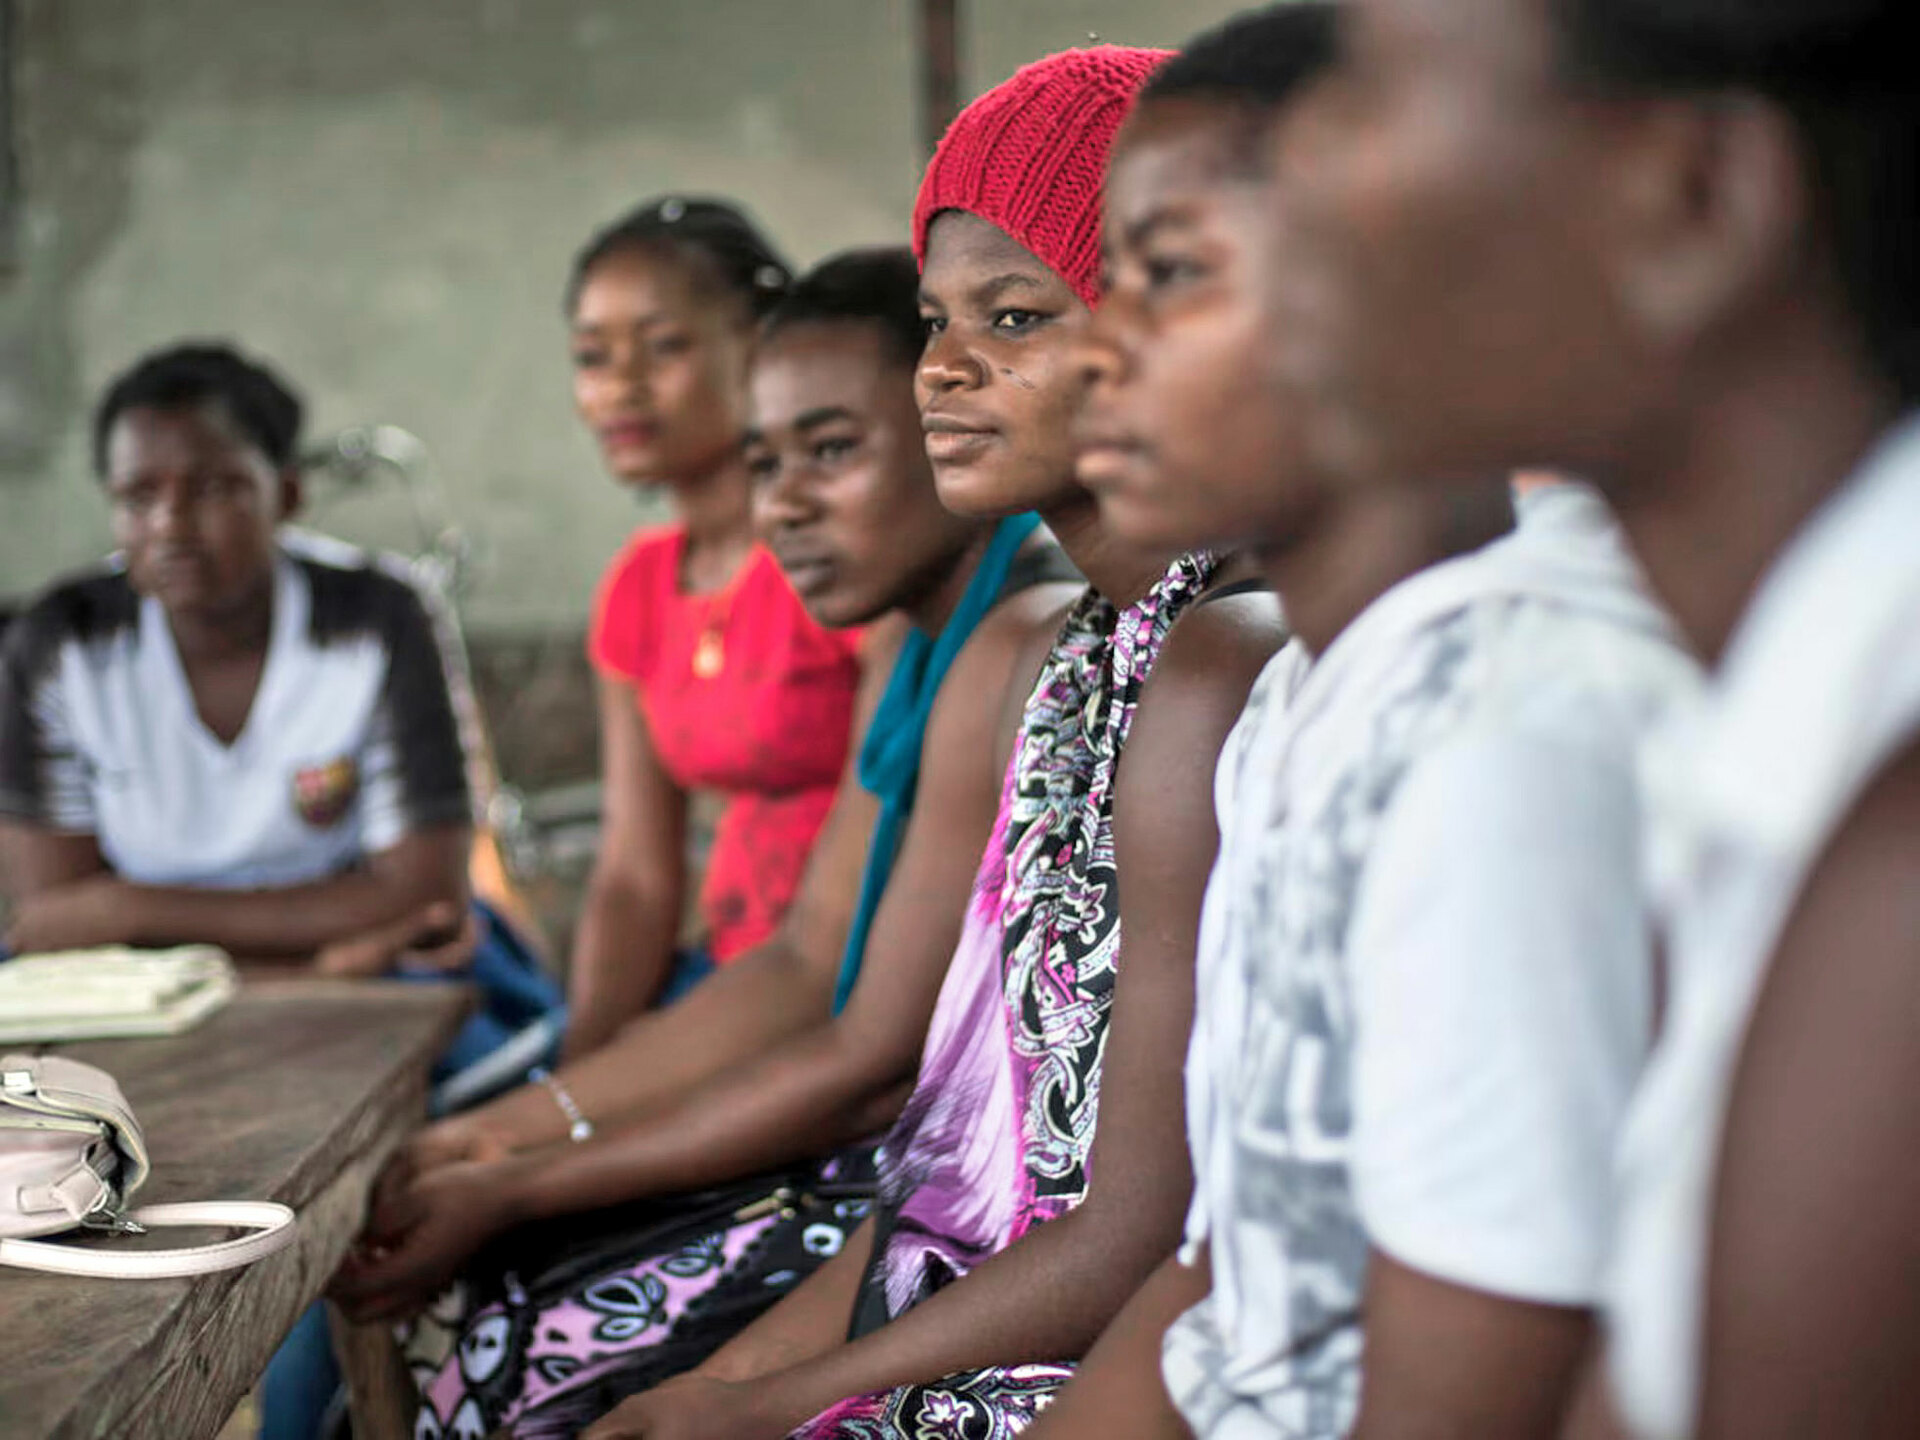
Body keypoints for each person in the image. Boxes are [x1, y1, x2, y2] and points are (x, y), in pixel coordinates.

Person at [581, 45, 1282, 1440]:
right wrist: (721, 1391)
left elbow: (1133, 1231)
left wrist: (769, 1404)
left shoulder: (1216, 660)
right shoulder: (1069, 658)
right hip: (978, 1298)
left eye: (1014, 317)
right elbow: (950, 1168)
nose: (943, 370)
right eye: (935, 322)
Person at [1027, 8, 1698, 1438]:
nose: (1096, 356)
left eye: (1171, 275)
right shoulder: (1289, 705)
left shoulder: (1505, 736)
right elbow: (1228, 1278)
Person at [1275, 0, 1920, 1436]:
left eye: (1362, 95)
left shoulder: (1896, 862)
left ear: (1695, 197)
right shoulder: (1750, 733)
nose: (1288, 170)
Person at [331, 246, 1083, 1439]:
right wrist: (521, 1128)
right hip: (886, 1161)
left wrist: (527, 1170)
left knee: (503, 1341)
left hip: (928, 1186)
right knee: (469, 1281)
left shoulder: (1020, 637)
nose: (782, 503)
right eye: (764, 462)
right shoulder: (913, 642)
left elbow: (871, 1063)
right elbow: (805, 955)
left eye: (831, 450)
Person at [559, 196, 873, 1059]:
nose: (621, 387)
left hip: (848, 987)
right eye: (592, 357)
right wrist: (580, 1061)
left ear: (762, 343)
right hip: (729, 977)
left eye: (664, 346)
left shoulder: (843, 558)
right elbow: (635, 875)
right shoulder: (640, 586)